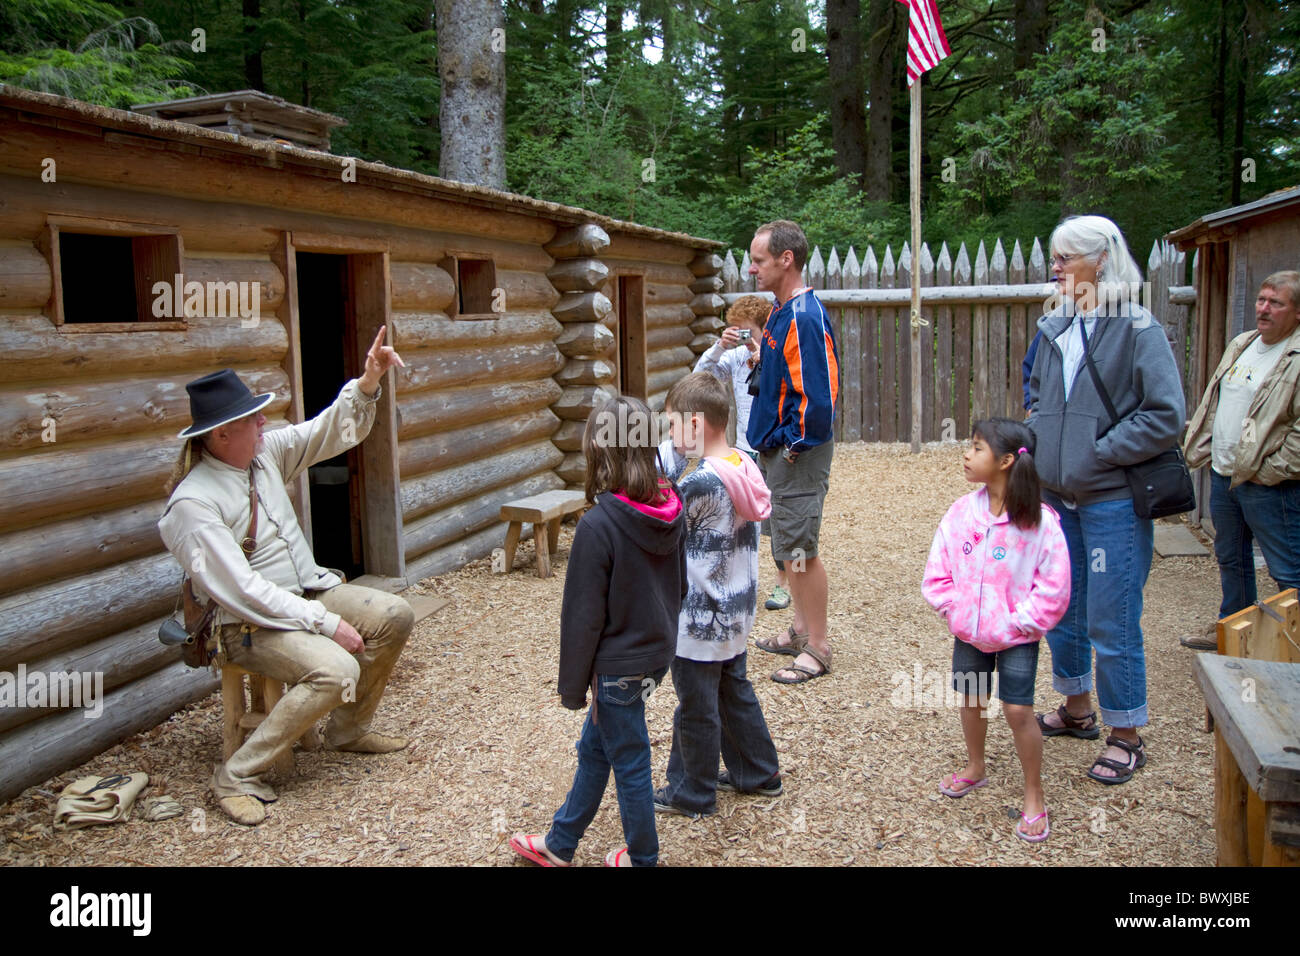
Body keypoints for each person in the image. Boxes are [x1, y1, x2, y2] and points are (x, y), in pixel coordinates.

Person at [158, 327, 413, 826]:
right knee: (337, 669)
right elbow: (242, 591)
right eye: (253, 419)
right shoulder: (193, 503)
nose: (265, 422)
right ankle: (237, 773)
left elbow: (324, 430)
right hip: (243, 625)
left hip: (304, 595)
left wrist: (369, 379)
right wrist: (322, 622)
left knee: (394, 615)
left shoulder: (263, 454)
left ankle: (347, 729)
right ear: (220, 435)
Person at [1027, 214, 1185, 785]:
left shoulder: (1139, 328)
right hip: (1058, 498)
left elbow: (1166, 414)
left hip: (1114, 498)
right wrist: (1037, 447)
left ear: (1102, 260)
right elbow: (1038, 396)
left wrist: (1098, 451)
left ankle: (1126, 732)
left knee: (1111, 618)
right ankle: (1076, 710)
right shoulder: (1054, 328)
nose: (1057, 269)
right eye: (1057, 258)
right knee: (1063, 610)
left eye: (1066, 258)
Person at [510, 396, 686, 867]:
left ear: (599, 451)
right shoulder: (674, 507)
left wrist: (573, 690)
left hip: (616, 671)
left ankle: (643, 858)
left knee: (629, 759)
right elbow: (680, 587)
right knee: (596, 748)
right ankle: (560, 843)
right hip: (653, 658)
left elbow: (582, 620)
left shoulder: (598, 525)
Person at [922, 418, 1071, 842]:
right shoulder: (961, 513)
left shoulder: (1040, 522)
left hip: (1018, 636)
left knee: (1018, 711)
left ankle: (1034, 793)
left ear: (1006, 461)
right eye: (969, 446)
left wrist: (1019, 623)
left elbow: (1054, 586)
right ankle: (975, 766)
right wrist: (954, 610)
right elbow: (938, 569)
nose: (966, 454)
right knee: (971, 698)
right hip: (968, 632)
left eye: (976, 448)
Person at [652, 373, 782, 819]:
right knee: (732, 690)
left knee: (695, 706)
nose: (669, 436)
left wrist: (663, 468)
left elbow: (660, 529)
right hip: (736, 610)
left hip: (700, 616)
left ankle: (692, 792)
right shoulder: (745, 465)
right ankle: (758, 771)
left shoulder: (700, 485)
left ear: (697, 425)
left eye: (673, 427)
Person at [1181, 271, 1300, 650]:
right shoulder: (1243, 343)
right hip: (1224, 475)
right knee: (1231, 559)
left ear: (1297, 312)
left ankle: (1291, 647)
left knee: (1287, 570)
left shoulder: (1295, 356)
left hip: (1269, 484)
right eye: (1262, 300)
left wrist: (1270, 471)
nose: (1264, 309)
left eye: (1276, 303)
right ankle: (1234, 635)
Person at [745, 220, 840, 684]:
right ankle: (800, 629)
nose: (751, 269)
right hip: (779, 450)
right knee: (787, 546)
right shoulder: (781, 312)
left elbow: (818, 397)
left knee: (801, 549)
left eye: (758, 260)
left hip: (795, 454)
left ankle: (818, 648)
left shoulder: (803, 316)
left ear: (786, 260)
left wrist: (793, 446)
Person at [696, 293, 791, 610]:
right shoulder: (735, 358)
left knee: (779, 522)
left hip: (775, 449)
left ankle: (783, 585)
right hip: (743, 450)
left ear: (764, 329)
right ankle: (727, 580)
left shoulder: (780, 356)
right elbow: (700, 377)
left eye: (747, 330)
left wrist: (761, 354)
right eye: (736, 330)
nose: (742, 336)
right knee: (730, 518)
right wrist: (721, 346)